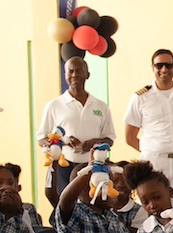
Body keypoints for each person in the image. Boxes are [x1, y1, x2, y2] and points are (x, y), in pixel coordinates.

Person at [124, 49, 173, 195]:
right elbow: (130, 137)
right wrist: (152, 150)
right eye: (159, 65)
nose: (164, 69)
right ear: (152, 68)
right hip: (154, 162)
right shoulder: (141, 97)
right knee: (155, 206)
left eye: (168, 65)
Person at [37, 56, 115, 198]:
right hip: (63, 167)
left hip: (93, 166)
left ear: (87, 74)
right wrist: (63, 141)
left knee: (93, 202)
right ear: (65, 75)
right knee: (64, 203)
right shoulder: (54, 106)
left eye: (78, 71)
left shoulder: (100, 106)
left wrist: (95, 142)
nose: (74, 75)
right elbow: (41, 139)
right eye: (70, 71)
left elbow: (110, 139)